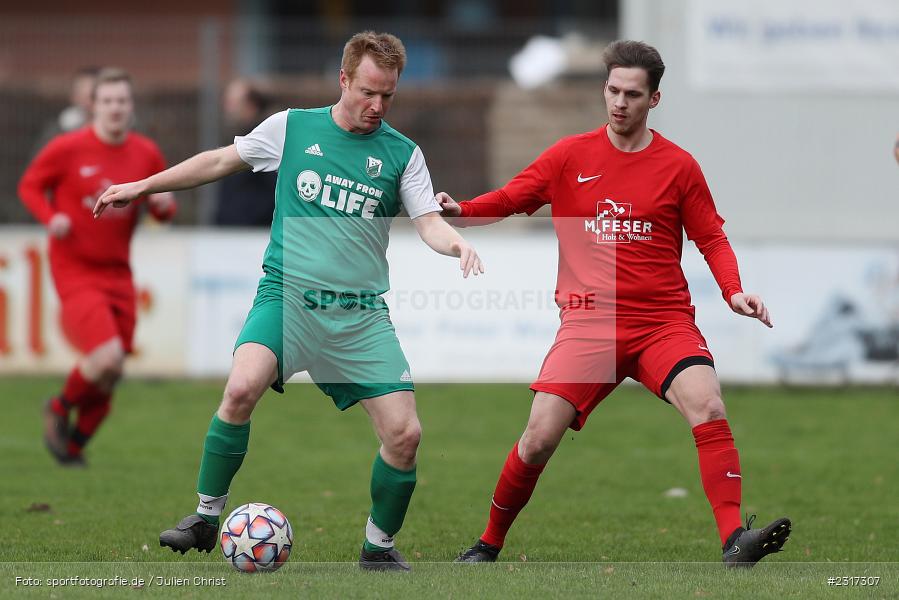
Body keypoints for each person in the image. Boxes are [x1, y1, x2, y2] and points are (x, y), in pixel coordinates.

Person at [93, 31, 484, 571]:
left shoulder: (402, 154)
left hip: (358, 314)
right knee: (240, 388)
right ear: (344, 80)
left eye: (388, 96)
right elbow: (216, 162)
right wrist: (143, 186)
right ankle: (206, 518)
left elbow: (428, 222)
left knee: (405, 435)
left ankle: (378, 548)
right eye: (368, 91)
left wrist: (456, 242)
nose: (377, 105)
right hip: (288, 297)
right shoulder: (292, 128)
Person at [439, 40, 790, 567]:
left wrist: (733, 291)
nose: (620, 102)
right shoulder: (569, 156)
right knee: (537, 440)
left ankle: (733, 540)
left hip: (661, 324)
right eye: (613, 91)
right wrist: (460, 209)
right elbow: (513, 198)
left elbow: (712, 238)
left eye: (632, 94)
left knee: (709, 405)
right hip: (590, 323)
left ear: (655, 99)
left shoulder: (679, 166)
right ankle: (487, 545)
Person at [19, 68, 176, 467]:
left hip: (118, 272)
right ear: (93, 106)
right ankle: (58, 406)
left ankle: (73, 446)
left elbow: (165, 205)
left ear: (131, 106)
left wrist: (162, 205)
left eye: (122, 101)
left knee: (113, 371)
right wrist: (50, 215)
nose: (115, 108)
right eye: (107, 101)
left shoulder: (146, 152)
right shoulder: (67, 147)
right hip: (75, 268)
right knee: (105, 358)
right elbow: (30, 186)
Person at [213, 79, 277, 226]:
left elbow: (272, 191)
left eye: (232, 103)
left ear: (250, 106)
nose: (226, 108)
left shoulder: (262, 143)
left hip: (250, 234)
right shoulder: (242, 139)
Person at [31, 67, 100, 156]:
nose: (88, 102)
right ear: (73, 96)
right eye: (82, 93)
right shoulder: (58, 130)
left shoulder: (118, 130)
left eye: (92, 95)